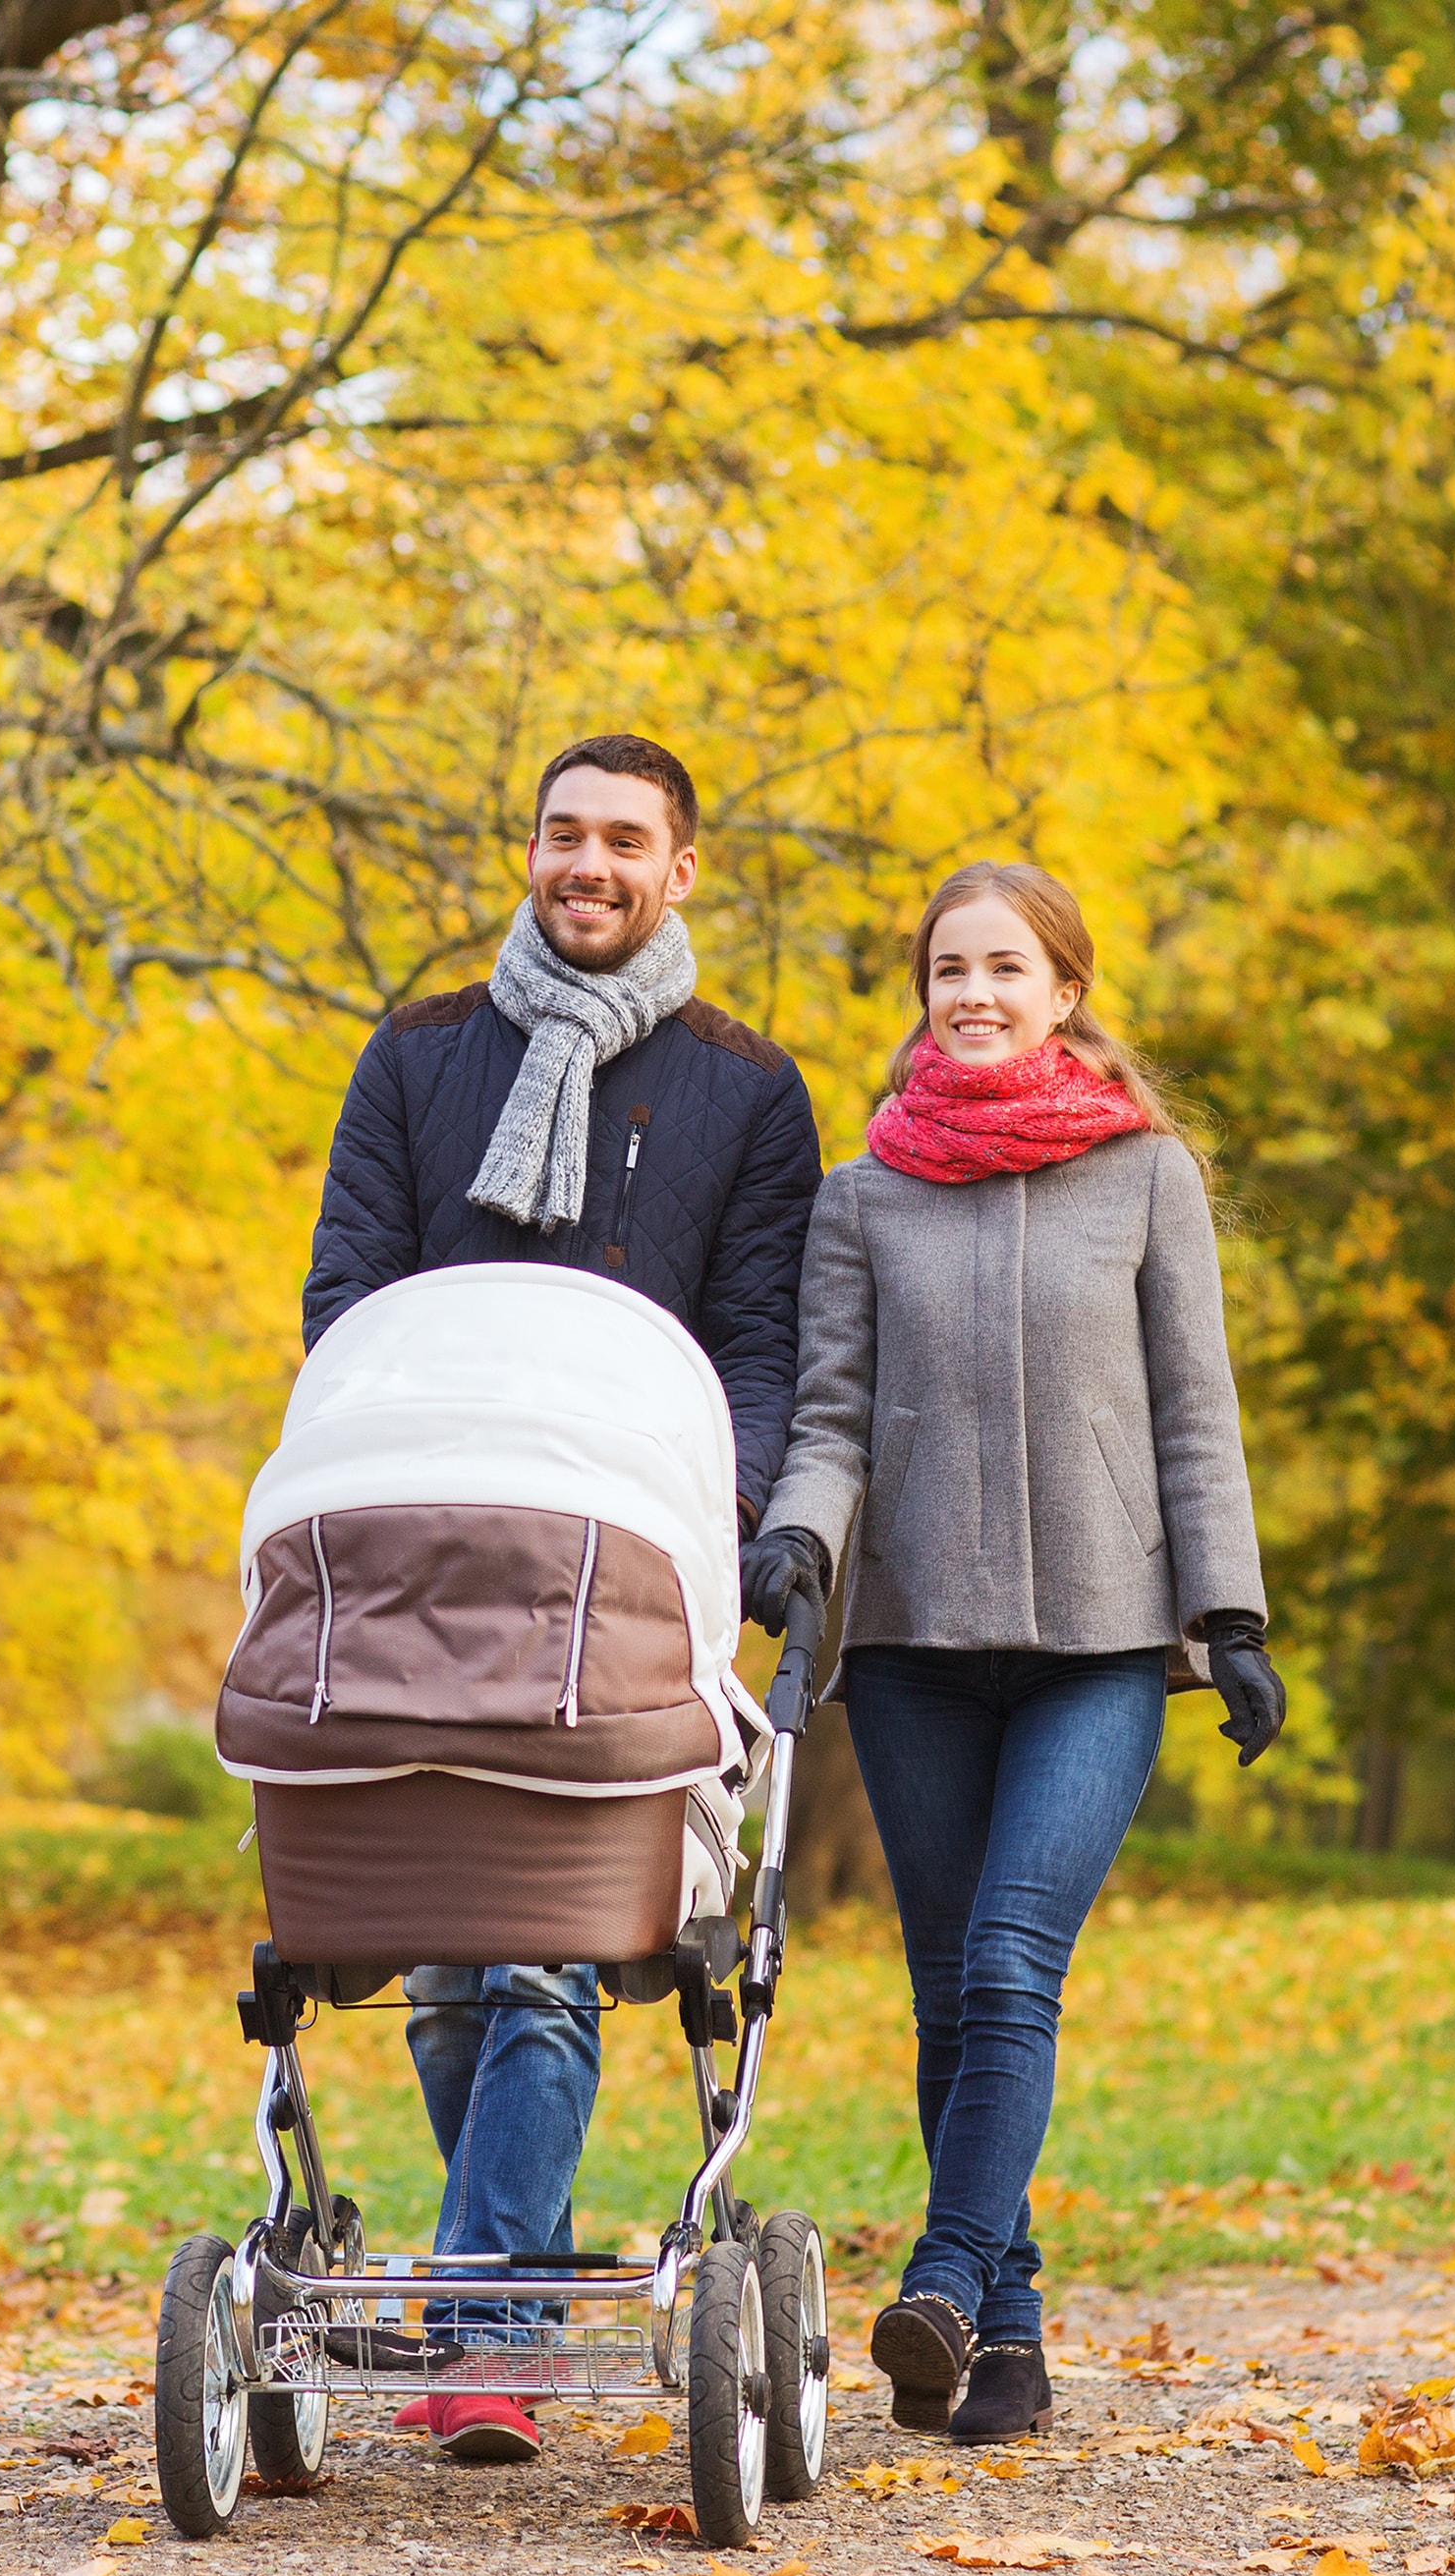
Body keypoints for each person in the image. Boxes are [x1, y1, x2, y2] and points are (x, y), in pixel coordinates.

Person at [303, 733, 823, 2463]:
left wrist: (718, 1523)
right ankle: (495, 2281)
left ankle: (486, 2324)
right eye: (558, 833)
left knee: (531, 1963)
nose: (583, 862)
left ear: (681, 871)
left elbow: (755, 1341)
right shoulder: (422, 1051)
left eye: (622, 840)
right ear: (524, 852)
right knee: (450, 1981)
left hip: (617, 1574)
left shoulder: (748, 1092)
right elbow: (349, 1301)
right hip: (427, 1562)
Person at [749, 860, 1285, 2445]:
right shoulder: (861, 1194)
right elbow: (832, 1416)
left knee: (1007, 1966)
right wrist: (798, 1535)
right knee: (944, 1996)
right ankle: (1003, 2337)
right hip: (911, 1642)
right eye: (944, 969)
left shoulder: (1144, 1177)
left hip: (1101, 1647)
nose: (969, 992)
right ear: (920, 994)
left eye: (1003, 967)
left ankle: (943, 2269)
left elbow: (1194, 1412)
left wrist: (1232, 1613)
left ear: (1064, 990)